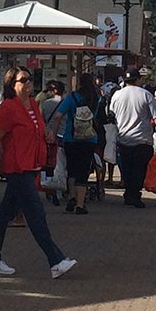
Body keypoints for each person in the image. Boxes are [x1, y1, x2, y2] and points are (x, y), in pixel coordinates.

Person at [0, 67, 76, 279]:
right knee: (36, 213)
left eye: (30, 79)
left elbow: (37, 129)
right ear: (12, 85)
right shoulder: (8, 108)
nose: (28, 83)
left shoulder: (34, 106)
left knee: (5, 213)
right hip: (17, 167)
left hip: (31, 164)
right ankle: (55, 260)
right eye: (23, 80)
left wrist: (46, 135)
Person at [108, 70, 156, 208]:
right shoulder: (145, 94)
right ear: (138, 79)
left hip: (123, 138)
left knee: (126, 168)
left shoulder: (117, 95)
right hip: (142, 139)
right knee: (139, 169)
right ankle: (134, 194)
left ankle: (129, 192)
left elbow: (111, 114)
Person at [53, 72, 105, 214]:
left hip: (71, 138)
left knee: (71, 169)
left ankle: (72, 197)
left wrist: (54, 133)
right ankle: (80, 205)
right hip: (89, 139)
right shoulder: (96, 98)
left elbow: (58, 116)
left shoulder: (72, 97)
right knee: (83, 172)